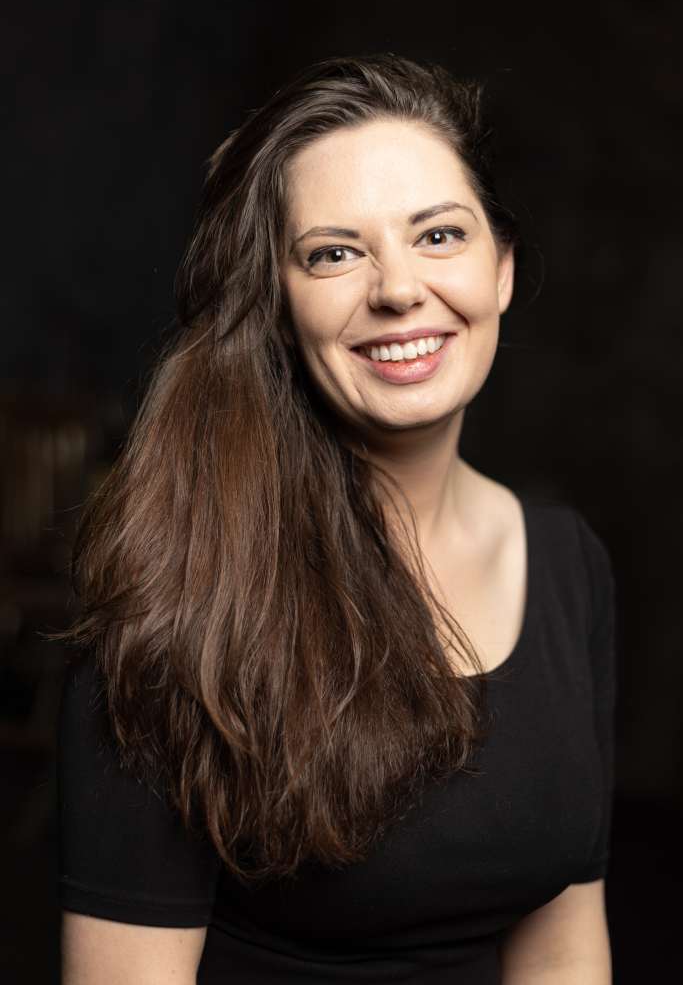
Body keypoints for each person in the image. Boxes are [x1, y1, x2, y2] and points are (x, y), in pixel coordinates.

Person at [57, 53, 617, 984]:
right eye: (333, 253)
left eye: (439, 235)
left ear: (501, 269)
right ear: (278, 306)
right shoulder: (174, 589)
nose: (398, 288)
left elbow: (562, 942)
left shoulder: (567, 563)